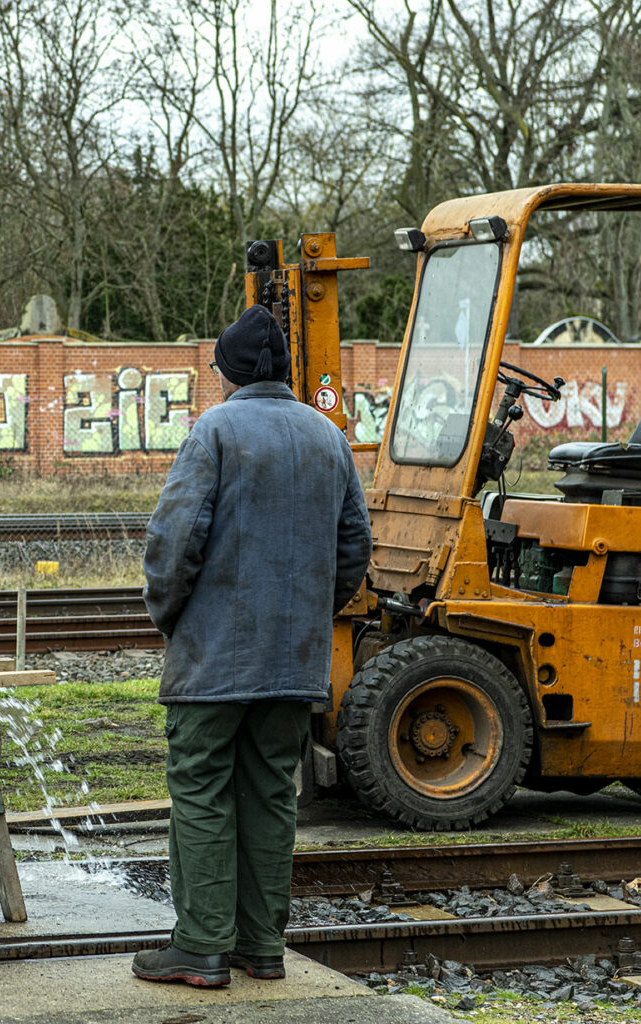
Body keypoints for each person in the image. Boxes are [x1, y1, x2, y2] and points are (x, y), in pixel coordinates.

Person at [131, 305, 371, 988]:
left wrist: (168, 614)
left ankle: (201, 946)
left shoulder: (215, 430)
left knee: (201, 789)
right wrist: (307, 613)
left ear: (226, 371)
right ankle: (261, 945)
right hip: (294, 660)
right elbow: (354, 545)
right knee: (270, 793)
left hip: (213, 660)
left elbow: (173, 541)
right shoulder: (328, 438)